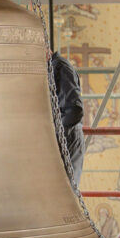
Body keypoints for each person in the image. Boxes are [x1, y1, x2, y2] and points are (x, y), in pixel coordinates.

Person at [51, 51, 86, 186]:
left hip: (68, 134)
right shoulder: (53, 67)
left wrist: (58, 136)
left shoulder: (60, 67)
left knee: (65, 189)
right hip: (64, 133)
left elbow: (74, 110)